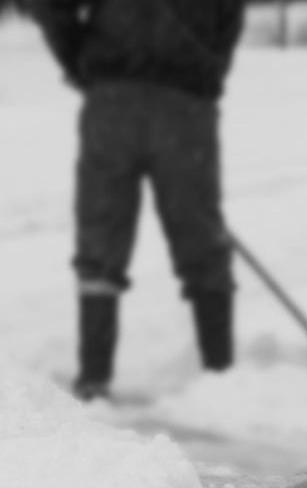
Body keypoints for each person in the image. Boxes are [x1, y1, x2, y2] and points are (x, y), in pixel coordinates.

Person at [29, 0, 247, 400]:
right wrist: (207, 66)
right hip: (182, 101)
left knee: (101, 236)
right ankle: (220, 376)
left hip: (117, 97)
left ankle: (95, 379)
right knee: (198, 236)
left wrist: (79, 61)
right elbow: (228, 16)